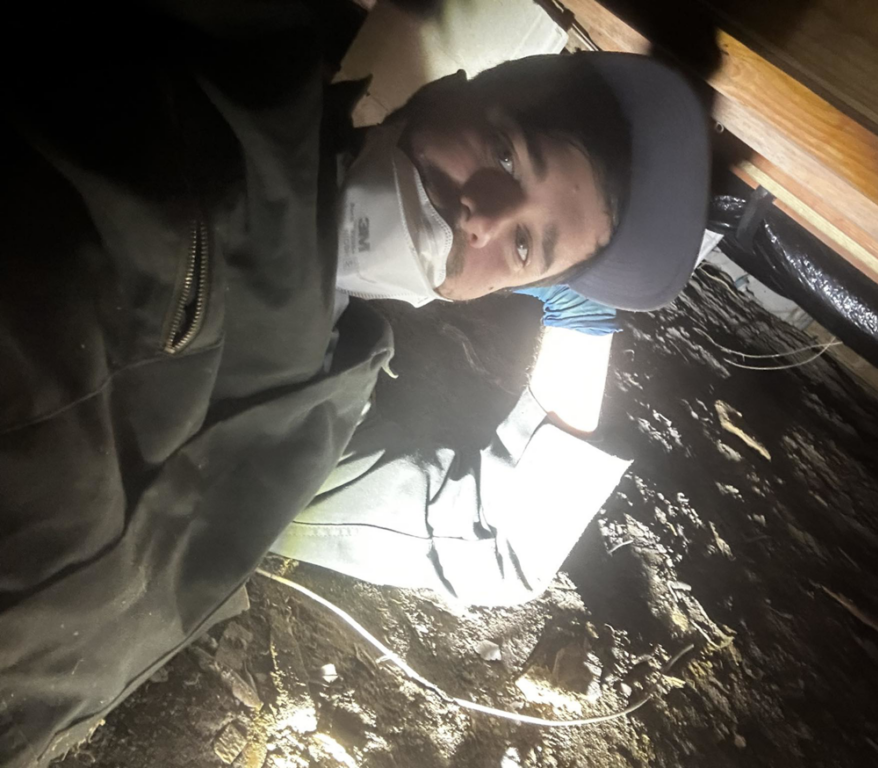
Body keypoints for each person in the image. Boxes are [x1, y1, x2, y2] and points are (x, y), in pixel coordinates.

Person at [0, 3, 708, 766]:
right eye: (505, 154)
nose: (483, 219)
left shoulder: (317, 407)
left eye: (525, 246)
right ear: (452, 92)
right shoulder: (173, 127)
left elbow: (493, 544)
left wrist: (583, 311)